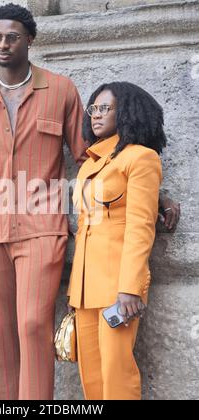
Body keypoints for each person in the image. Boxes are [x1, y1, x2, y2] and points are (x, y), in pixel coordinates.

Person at [0, 3, 179, 400]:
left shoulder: (60, 90)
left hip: (43, 228)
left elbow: (88, 155)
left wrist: (152, 194)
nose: (3, 45)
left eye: (12, 37)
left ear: (30, 40)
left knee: (32, 325)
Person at [67, 82, 168, 400]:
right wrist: (75, 291)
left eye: (104, 108)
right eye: (93, 109)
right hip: (84, 288)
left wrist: (129, 288)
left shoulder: (142, 159)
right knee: (91, 377)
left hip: (116, 287)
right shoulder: (90, 165)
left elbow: (140, 228)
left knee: (116, 373)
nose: (96, 115)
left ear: (125, 112)